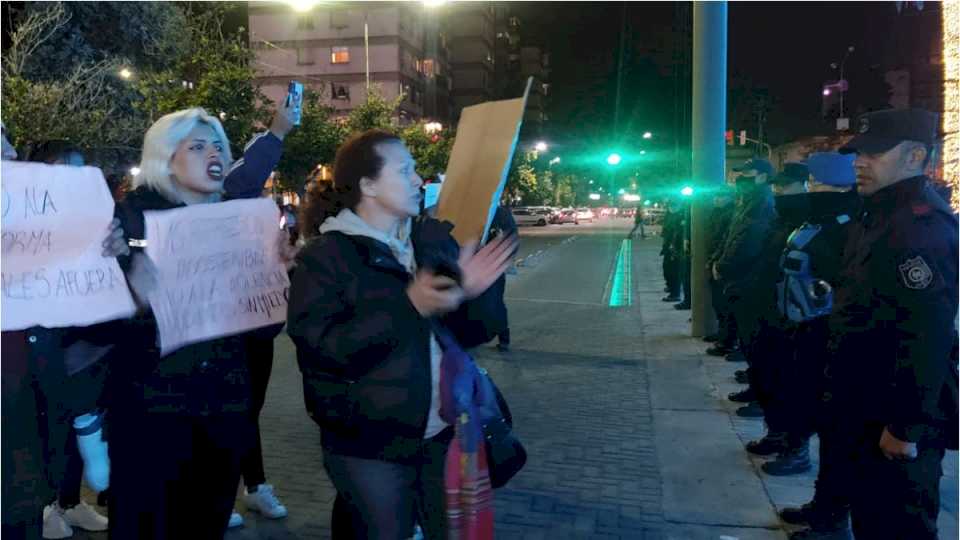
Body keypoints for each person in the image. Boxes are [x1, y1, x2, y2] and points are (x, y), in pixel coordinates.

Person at [287, 130, 516, 539]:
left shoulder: (428, 242)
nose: (418, 180)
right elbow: (323, 351)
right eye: (406, 170)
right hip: (369, 445)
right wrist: (409, 305)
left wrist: (477, 291)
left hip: (443, 432)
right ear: (369, 185)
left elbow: (473, 332)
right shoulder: (326, 257)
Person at [107, 106, 292, 538]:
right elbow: (97, 329)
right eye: (197, 146)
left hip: (223, 409)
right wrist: (131, 291)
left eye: (219, 146)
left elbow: (264, 330)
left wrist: (278, 275)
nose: (214, 154)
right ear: (165, 157)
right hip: (150, 411)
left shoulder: (239, 221)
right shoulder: (128, 218)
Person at [825, 109, 957, 540]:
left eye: (876, 153)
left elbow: (928, 335)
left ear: (916, 155)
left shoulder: (918, 226)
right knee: (870, 518)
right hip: (865, 404)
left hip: (894, 419)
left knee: (898, 524)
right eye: (859, 153)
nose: (860, 162)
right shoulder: (878, 214)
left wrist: (906, 426)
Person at [1, 126, 129, 540]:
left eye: (6, 137)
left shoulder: (66, 230)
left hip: (30, 435)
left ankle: (61, 501)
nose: (9, 147)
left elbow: (107, 322)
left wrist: (114, 261)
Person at [25, 142, 112, 540]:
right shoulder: (20, 219)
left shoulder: (92, 219)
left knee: (82, 419)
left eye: (81, 169)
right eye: (65, 169)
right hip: (39, 345)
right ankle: (46, 508)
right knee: (48, 431)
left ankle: (71, 502)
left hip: (84, 341)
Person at [773, 152, 860, 540]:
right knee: (820, 421)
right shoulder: (823, 220)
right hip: (808, 327)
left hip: (832, 334)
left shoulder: (848, 224)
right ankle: (823, 505)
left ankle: (832, 519)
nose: (809, 191)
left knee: (837, 433)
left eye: (815, 184)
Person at [712, 159, 777, 410]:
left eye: (746, 174)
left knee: (756, 340)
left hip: (750, 280)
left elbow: (749, 241)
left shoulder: (762, 204)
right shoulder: (748, 202)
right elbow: (733, 236)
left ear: (761, 177)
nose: (740, 180)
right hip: (741, 279)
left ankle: (761, 396)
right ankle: (754, 386)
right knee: (749, 337)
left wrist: (724, 265)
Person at [704, 187, 738, 355]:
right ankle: (722, 334)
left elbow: (725, 240)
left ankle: (727, 340)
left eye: (720, 196)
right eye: (716, 195)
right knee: (717, 301)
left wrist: (717, 260)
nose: (716, 199)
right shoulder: (716, 213)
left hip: (722, 261)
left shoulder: (731, 214)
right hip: (715, 258)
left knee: (724, 303)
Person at [487, 205, 518, 352]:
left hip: (493, 265)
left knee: (496, 301)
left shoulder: (498, 212)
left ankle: (503, 338)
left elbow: (511, 236)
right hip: (473, 262)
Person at [660, 200, 682, 302]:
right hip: (668, 246)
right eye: (670, 205)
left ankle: (675, 293)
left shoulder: (681, 216)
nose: (672, 207)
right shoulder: (669, 215)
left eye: (674, 205)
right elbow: (666, 230)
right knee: (666, 269)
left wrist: (674, 246)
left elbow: (678, 233)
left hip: (676, 248)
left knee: (674, 271)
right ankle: (671, 287)